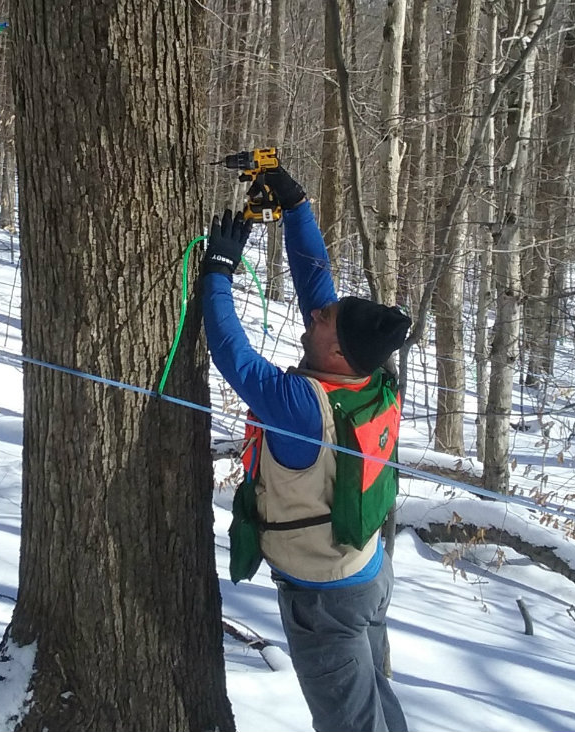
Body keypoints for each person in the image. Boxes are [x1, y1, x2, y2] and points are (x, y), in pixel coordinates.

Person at [201, 166, 411, 732]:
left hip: (325, 601)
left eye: (326, 321)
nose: (316, 312)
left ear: (338, 352)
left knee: (350, 724)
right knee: (373, 699)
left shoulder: (302, 407)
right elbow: (316, 287)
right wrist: (295, 206)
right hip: (366, 571)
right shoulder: (371, 380)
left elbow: (232, 355)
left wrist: (217, 273)